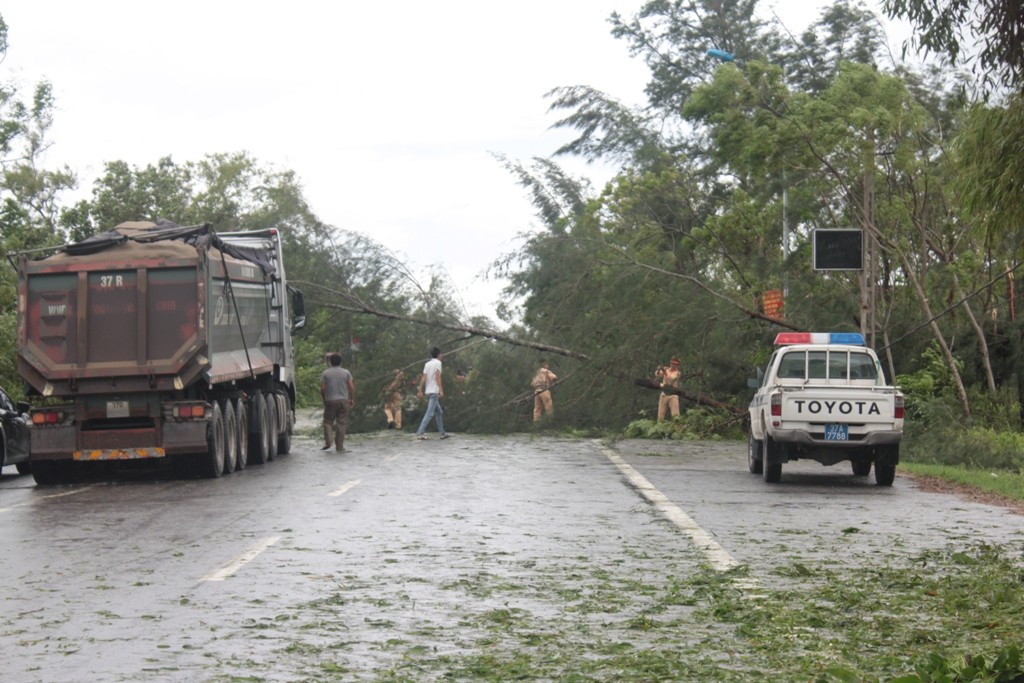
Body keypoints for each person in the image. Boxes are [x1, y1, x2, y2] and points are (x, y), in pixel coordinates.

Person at [320, 353, 355, 451]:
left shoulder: (325, 373)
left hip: (330, 400)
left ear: (330, 361)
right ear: (340, 362)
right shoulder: (346, 372)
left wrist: (324, 399)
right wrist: (352, 399)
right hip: (344, 401)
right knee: (341, 423)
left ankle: (328, 442)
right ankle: (339, 446)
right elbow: (351, 386)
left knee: (328, 421)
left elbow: (322, 388)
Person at [415, 347, 448, 440]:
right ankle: (420, 432)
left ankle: (442, 433)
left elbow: (423, 377)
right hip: (434, 391)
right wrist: (441, 390)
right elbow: (438, 377)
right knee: (429, 413)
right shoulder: (438, 363)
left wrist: (420, 389)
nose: (442, 355)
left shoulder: (427, 364)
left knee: (439, 412)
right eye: (441, 354)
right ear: (438, 355)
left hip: (429, 391)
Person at [655, 357, 682, 422]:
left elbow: (670, 381)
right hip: (664, 394)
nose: (673, 365)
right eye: (672, 364)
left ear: (678, 366)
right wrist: (659, 369)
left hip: (673, 395)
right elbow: (657, 374)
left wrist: (665, 372)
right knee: (660, 416)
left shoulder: (677, 373)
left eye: (675, 364)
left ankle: (678, 429)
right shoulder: (667, 369)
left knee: (676, 416)